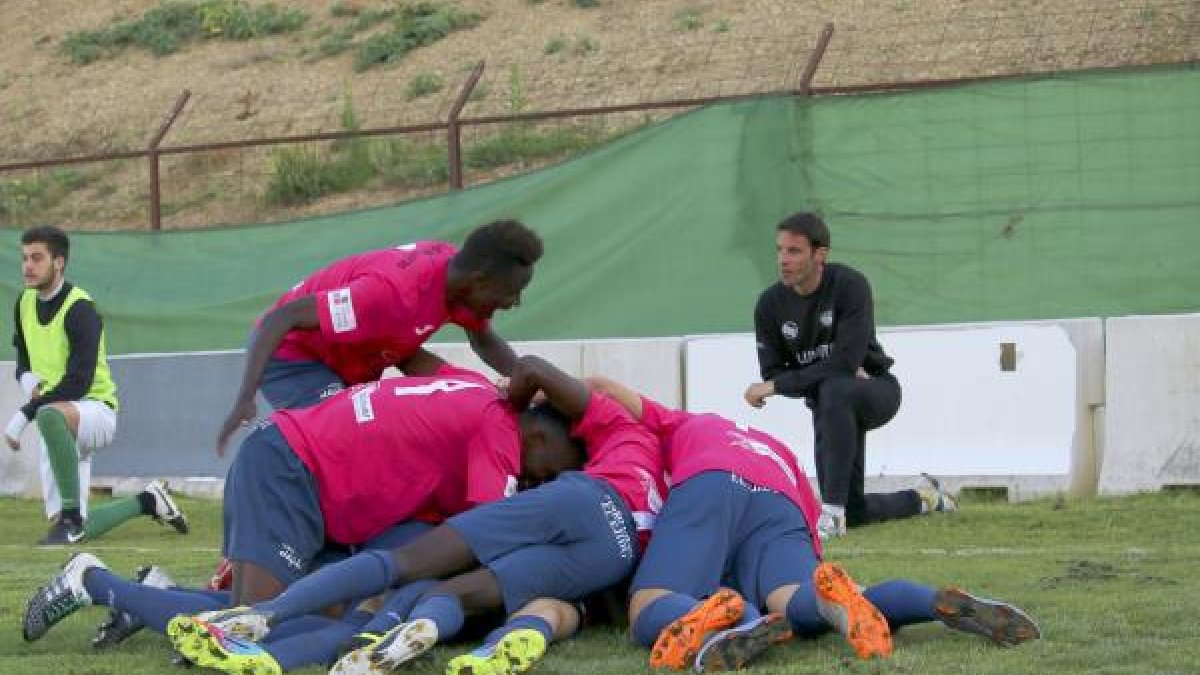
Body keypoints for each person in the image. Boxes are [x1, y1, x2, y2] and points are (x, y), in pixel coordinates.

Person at [491, 378, 1040, 674]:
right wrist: (820, 578)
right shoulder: (774, 446)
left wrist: (530, 393)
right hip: (781, 500)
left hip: (708, 484)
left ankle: (722, 621)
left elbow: (602, 388)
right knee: (796, 597)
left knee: (648, 604)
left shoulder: (683, 425)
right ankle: (927, 602)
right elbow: (809, 522)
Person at [167, 354, 667, 675]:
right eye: (542, 473)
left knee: (386, 573)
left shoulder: (473, 387)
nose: (533, 484)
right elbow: (488, 536)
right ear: (538, 433)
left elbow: (418, 361)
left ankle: (316, 621)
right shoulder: (502, 434)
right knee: (403, 575)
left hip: (307, 465)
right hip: (296, 467)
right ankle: (354, 626)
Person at [215, 219, 544, 455]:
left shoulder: (457, 286)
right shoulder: (388, 293)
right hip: (295, 357)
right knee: (341, 436)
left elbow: (484, 340)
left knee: (386, 429)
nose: (513, 304)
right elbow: (280, 319)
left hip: (356, 358)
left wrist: (534, 384)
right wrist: (245, 398)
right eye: (512, 293)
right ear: (481, 282)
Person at [744, 212, 955, 538]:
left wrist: (780, 385)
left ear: (820, 255)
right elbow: (775, 371)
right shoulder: (769, 306)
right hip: (827, 405)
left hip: (875, 389)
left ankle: (830, 514)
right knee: (856, 509)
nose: (783, 260)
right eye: (780, 250)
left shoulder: (850, 285)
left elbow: (842, 363)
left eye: (794, 251)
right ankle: (925, 498)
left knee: (836, 388)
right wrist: (801, 378)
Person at [5, 225, 188, 545]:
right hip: (57, 418)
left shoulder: (80, 309)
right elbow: (22, 356)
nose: (27, 266)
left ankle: (72, 518)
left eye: (37, 258)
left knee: (49, 417)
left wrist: (24, 415)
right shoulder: (23, 304)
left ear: (58, 262)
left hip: (95, 412)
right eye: (24, 258)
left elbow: (79, 382)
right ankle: (147, 501)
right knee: (68, 526)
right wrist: (25, 378)